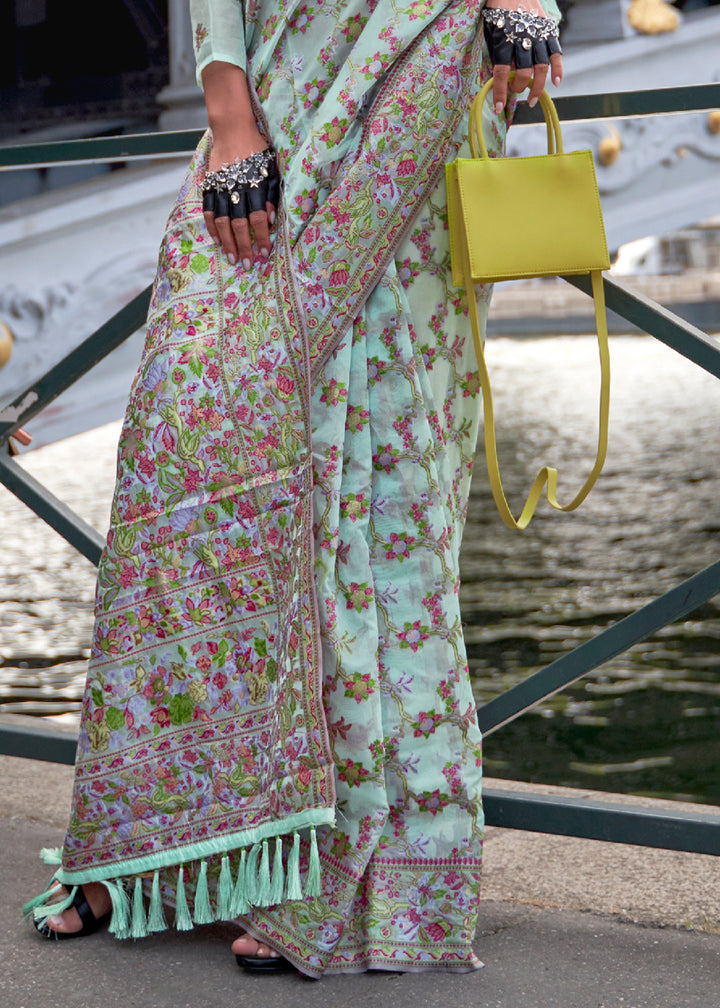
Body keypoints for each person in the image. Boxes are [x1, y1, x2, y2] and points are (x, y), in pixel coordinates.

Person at [25, 0, 562, 977]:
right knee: (177, 442)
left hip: (419, 75)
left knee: (378, 475)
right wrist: (230, 115)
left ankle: (346, 870)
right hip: (269, 97)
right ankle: (149, 846)